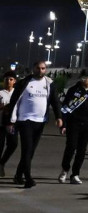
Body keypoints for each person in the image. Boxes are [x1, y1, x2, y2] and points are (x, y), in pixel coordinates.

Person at [3, 60, 63, 188]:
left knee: (30, 152)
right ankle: (28, 178)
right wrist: (10, 121)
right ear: (33, 69)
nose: (40, 71)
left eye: (43, 68)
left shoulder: (49, 83)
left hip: (40, 121)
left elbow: (55, 101)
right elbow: (14, 102)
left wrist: (59, 117)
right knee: (27, 149)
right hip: (25, 120)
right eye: (38, 68)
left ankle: (18, 175)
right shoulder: (24, 83)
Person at [58, 68, 88, 184]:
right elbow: (65, 106)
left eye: (86, 77)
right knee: (71, 146)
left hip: (87, 123)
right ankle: (64, 170)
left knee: (82, 150)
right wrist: (63, 123)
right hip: (73, 122)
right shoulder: (74, 89)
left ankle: (75, 174)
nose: (83, 79)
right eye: (82, 77)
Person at [0, 71, 20, 177]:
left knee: (13, 144)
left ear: (14, 81)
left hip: (11, 124)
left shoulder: (17, 93)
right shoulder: (0, 93)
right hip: (1, 124)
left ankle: (2, 162)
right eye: (6, 79)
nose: (8, 81)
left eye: (11, 79)